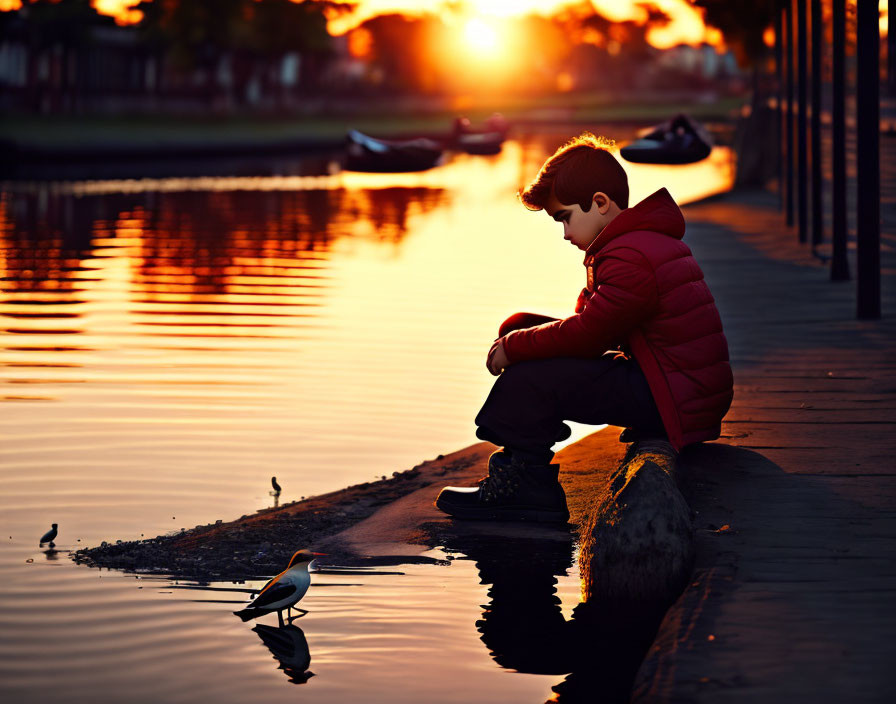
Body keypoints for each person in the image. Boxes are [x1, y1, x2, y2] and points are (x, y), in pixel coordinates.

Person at [435, 133, 733, 523]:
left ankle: (525, 483)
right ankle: (522, 463)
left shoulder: (630, 256)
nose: (564, 233)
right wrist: (519, 337)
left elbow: (590, 334)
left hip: (674, 399)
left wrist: (517, 348)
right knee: (519, 327)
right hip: (668, 383)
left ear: (600, 203)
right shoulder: (630, 244)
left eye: (565, 217)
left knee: (532, 375)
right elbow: (591, 324)